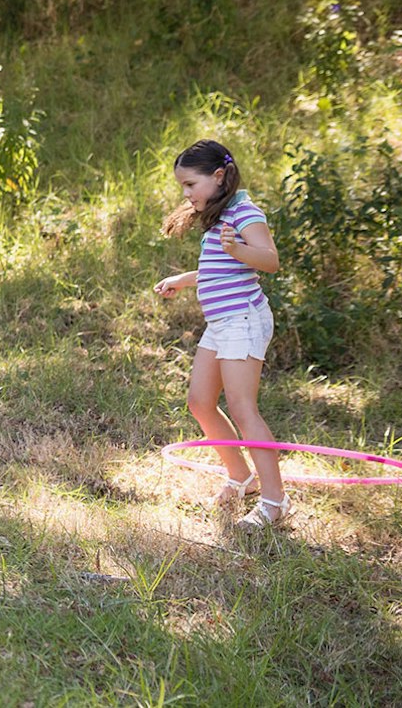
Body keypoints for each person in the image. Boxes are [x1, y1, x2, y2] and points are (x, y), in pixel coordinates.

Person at [153, 139, 287, 529]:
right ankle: (241, 476)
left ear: (217, 176)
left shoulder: (245, 212)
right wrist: (184, 279)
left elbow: (270, 260)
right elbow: (219, 268)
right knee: (199, 401)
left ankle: (276, 501)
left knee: (244, 408)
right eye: (182, 186)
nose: (186, 193)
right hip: (222, 323)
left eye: (191, 185)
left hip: (243, 321)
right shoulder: (220, 213)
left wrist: (239, 249)